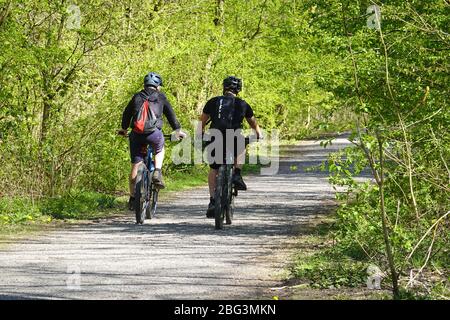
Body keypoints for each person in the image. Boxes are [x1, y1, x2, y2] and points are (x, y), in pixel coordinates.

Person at [119, 72, 186, 210]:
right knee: (159, 148)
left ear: (145, 85)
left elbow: (126, 114)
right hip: (154, 134)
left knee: (135, 164)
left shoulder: (137, 96)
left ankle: (132, 198)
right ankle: (157, 171)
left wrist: (124, 129)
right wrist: (177, 130)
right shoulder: (161, 97)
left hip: (137, 134)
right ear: (158, 86)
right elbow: (170, 114)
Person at [198, 76, 263, 218]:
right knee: (242, 145)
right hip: (234, 136)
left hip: (215, 136)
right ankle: (237, 175)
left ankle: (213, 200)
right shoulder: (242, 104)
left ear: (224, 87)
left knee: (214, 168)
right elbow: (252, 122)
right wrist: (258, 134)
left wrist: (200, 134)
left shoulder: (213, 102)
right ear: (238, 90)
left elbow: (202, 121)